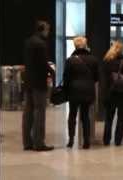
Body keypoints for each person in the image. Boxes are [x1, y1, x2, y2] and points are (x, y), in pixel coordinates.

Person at [22, 20, 55, 151]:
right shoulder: (41, 44)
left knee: (28, 111)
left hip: (28, 81)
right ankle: (39, 143)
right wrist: (51, 71)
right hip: (39, 83)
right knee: (39, 111)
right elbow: (43, 63)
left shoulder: (28, 42)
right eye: (47, 29)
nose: (48, 32)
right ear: (42, 29)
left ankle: (27, 142)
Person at [63, 36, 98, 149]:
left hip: (73, 91)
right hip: (88, 91)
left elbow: (66, 78)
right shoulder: (93, 59)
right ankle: (86, 141)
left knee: (72, 115)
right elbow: (97, 77)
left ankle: (71, 140)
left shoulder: (70, 60)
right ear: (86, 45)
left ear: (75, 46)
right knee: (85, 116)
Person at [100, 41, 123, 146]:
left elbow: (103, 79)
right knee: (121, 117)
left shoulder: (106, 60)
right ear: (121, 50)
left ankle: (106, 140)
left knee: (108, 118)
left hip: (110, 93)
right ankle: (117, 141)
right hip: (122, 93)